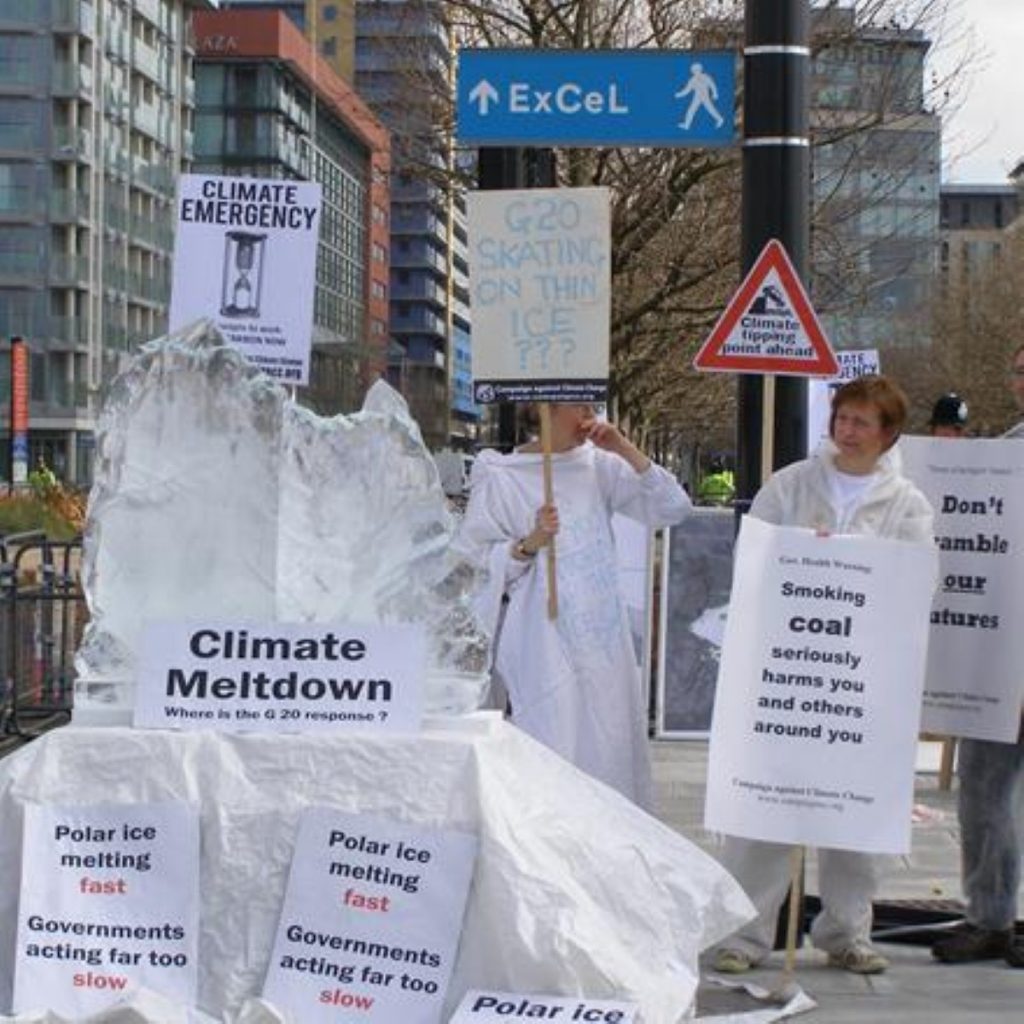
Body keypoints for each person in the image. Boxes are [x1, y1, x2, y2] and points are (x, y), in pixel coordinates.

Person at [712, 374, 934, 976]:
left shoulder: (906, 505)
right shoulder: (791, 485)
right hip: (790, 675)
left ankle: (846, 931)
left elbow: (913, 586)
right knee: (765, 807)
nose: (847, 431)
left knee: (856, 809)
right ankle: (745, 934)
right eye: (842, 418)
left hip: (859, 682)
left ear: (888, 435)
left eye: (862, 422)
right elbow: (752, 558)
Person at [459, 404, 691, 807]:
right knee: (552, 752)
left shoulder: (600, 466)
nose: (589, 413)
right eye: (578, 405)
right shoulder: (501, 476)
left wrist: (626, 449)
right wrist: (529, 543)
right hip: (543, 646)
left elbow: (673, 507)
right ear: (545, 407)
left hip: (603, 648)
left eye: (591, 403)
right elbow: (473, 566)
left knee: (609, 757)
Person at [932, 344, 1024, 969]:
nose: (1022, 380)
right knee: (983, 790)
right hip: (1001, 662)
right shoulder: (1006, 452)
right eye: (1019, 369)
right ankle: (989, 917)